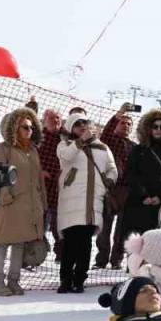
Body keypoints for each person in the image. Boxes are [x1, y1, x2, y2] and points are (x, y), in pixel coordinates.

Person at [0, 107, 46, 296]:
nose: (29, 131)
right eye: (24, 127)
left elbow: (38, 180)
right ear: (13, 128)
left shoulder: (33, 151)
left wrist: (42, 201)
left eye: (31, 127)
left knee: (19, 242)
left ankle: (14, 281)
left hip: (28, 205)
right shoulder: (0, 150)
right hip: (7, 204)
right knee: (1, 242)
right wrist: (4, 196)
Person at [56, 113, 119, 293]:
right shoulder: (65, 144)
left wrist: (109, 179)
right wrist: (80, 142)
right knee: (69, 243)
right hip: (71, 202)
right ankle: (65, 279)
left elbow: (111, 167)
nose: (82, 126)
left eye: (85, 123)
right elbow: (66, 158)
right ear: (70, 128)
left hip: (93, 202)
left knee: (85, 243)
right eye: (77, 124)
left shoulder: (101, 147)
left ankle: (79, 279)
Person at [125, 108, 161, 238]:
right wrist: (143, 196)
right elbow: (132, 174)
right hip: (138, 204)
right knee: (136, 246)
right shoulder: (138, 150)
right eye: (154, 126)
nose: (158, 129)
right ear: (148, 128)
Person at [95, 107, 135, 270]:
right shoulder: (108, 142)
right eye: (122, 122)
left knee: (122, 229)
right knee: (104, 227)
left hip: (126, 192)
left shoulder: (134, 147)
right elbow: (106, 132)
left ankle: (117, 259)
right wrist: (116, 115)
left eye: (128, 124)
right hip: (109, 190)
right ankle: (101, 260)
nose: (125, 125)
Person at [39, 108, 65, 262]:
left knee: (59, 225)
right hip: (41, 188)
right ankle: (36, 255)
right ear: (45, 120)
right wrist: (39, 171)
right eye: (51, 118)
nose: (55, 121)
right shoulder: (38, 137)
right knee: (39, 224)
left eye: (58, 118)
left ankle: (61, 255)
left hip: (60, 189)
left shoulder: (67, 138)